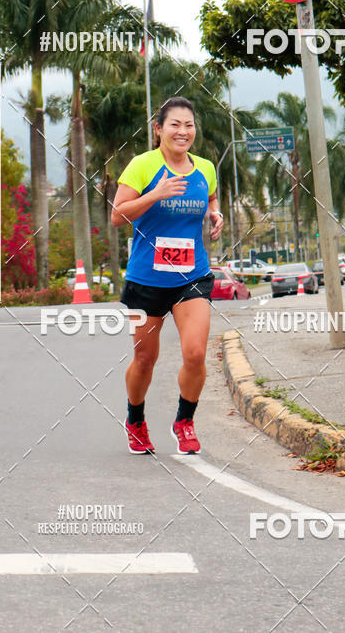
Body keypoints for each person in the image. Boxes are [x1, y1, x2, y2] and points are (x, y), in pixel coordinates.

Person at [111, 97, 223, 455]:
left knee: (196, 353)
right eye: (175, 124)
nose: (183, 131)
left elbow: (211, 197)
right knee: (145, 358)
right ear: (159, 129)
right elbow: (117, 216)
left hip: (192, 275)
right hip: (147, 279)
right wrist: (156, 194)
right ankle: (135, 419)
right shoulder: (142, 166)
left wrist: (215, 214)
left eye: (189, 125)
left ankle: (184, 421)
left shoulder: (205, 168)